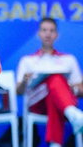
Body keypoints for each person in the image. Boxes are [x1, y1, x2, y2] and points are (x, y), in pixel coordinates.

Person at [16, 18, 83, 146]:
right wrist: (25, 81)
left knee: (55, 85)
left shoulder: (69, 59)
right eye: (44, 30)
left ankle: (56, 143)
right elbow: (18, 91)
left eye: (51, 31)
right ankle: (73, 114)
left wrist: (70, 87)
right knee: (55, 79)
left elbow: (80, 90)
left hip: (61, 102)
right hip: (37, 104)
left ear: (57, 35)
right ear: (38, 34)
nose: (48, 34)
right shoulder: (27, 60)